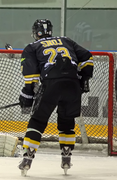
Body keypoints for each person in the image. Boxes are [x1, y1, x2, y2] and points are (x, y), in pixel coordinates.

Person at [17, 19, 93, 176]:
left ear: (35, 33)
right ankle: (66, 156)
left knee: (37, 121)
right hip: (72, 85)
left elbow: (31, 75)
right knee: (66, 122)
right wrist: (83, 79)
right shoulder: (66, 40)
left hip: (51, 85)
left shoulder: (32, 47)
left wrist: (28, 94)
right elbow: (87, 57)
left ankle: (27, 157)